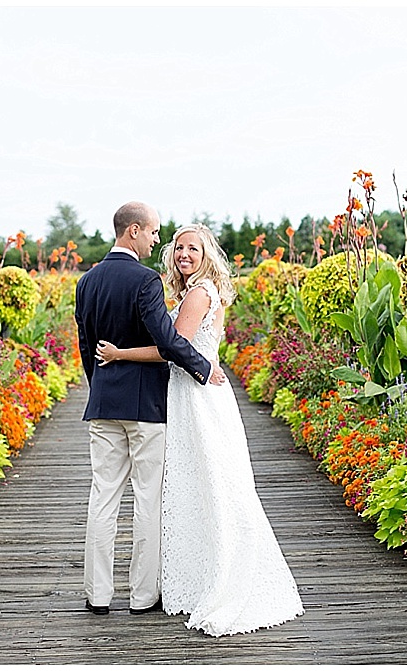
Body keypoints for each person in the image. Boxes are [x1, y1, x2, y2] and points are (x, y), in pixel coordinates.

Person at [95, 223, 304, 637]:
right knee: (198, 485)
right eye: (178, 248)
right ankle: (198, 572)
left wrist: (120, 354)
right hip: (192, 393)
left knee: (207, 482)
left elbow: (173, 349)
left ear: (207, 254)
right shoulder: (198, 291)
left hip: (196, 396)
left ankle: (217, 578)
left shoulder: (198, 293)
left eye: (193, 248)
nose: (183, 254)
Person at [74, 202, 227, 617]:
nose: (157, 240)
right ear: (135, 231)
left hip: (104, 403)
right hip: (146, 406)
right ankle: (142, 596)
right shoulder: (145, 280)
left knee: (102, 497)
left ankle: (97, 596)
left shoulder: (86, 281)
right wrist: (203, 367)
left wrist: (101, 385)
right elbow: (168, 341)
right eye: (155, 232)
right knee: (147, 500)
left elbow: (86, 346)